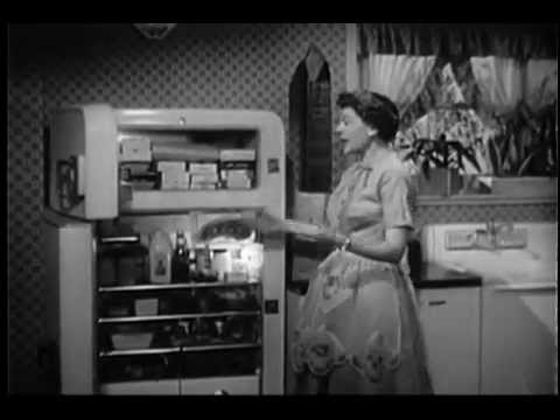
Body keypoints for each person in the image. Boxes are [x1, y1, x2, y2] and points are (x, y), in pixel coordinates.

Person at [259, 91, 433, 394]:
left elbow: (395, 249)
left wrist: (343, 241)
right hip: (339, 285)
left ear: (372, 128)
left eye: (345, 121)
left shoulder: (392, 173)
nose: (338, 130)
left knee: (364, 379)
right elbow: (328, 230)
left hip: (372, 291)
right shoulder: (353, 172)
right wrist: (280, 225)